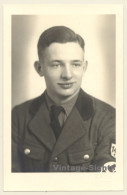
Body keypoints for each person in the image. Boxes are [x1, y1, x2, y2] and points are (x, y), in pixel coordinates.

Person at [12, 26, 116, 172]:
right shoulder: (18, 117)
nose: (67, 74)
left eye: (75, 64)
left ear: (84, 67)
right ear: (39, 68)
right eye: (56, 65)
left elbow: (106, 187)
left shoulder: (109, 118)